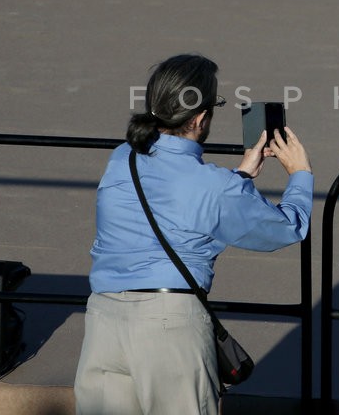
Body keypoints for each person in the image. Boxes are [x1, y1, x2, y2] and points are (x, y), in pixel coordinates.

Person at [74, 54, 313, 415]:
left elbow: (181, 219)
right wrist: (300, 175)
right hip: (168, 326)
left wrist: (240, 179)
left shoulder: (122, 159)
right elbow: (285, 228)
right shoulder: (214, 187)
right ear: (200, 118)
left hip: (103, 321)